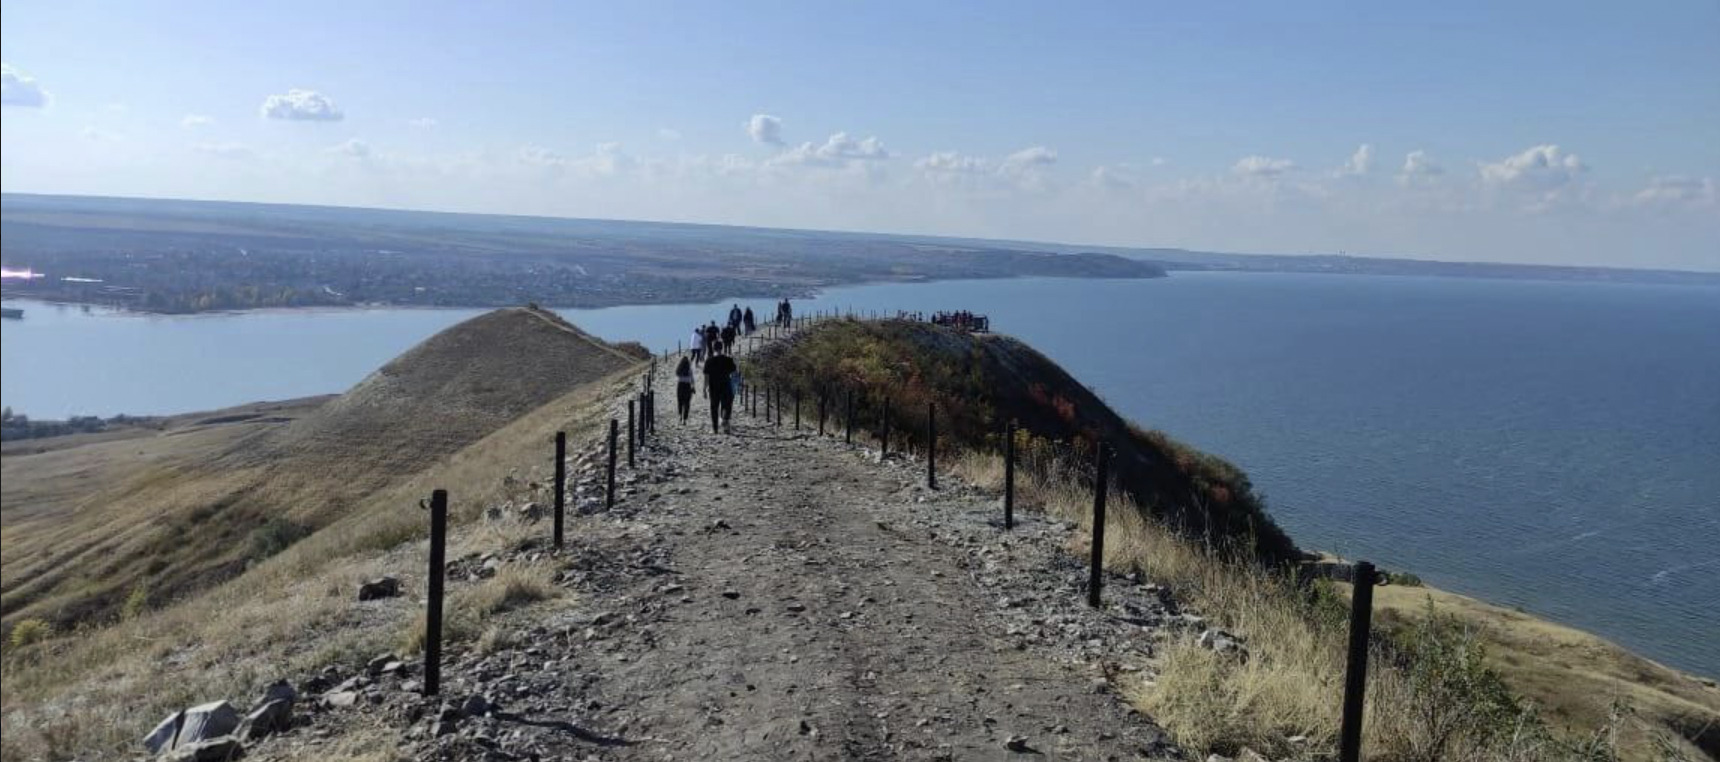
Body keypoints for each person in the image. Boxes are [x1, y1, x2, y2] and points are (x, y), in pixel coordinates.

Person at [702, 345, 738, 433]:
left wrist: (704, 389)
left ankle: (715, 428)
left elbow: (706, 377)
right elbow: (734, 373)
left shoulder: (709, 361)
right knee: (726, 404)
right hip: (726, 385)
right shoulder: (728, 359)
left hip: (713, 387)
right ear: (722, 348)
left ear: (713, 349)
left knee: (714, 407)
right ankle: (725, 421)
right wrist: (735, 386)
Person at [675, 356, 695, 423]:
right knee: (687, 403)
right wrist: (693, 387)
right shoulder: (689, 369)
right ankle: (685, 418)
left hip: (680, 385)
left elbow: (677, 375)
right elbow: (692, 379)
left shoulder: (679, 368)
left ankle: (680, 415)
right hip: (687, 386)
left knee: (680, 401)